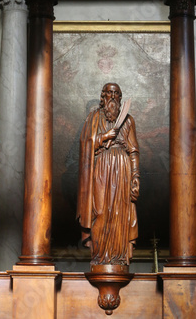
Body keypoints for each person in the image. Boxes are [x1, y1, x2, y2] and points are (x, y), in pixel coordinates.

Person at [77, 82, 140, 267]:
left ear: (120, 99)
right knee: (101, 211)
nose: (112, 98)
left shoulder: (128, 121)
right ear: (103, 97)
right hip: (101, 167)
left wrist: (136, 177)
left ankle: (118, 257)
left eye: (116, 94)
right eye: (109, 94)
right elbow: (86, 143)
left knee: (120, 213)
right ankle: (99, 256)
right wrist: (104, 137)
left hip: (122, 168)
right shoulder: (94, 118)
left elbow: (134, 150)